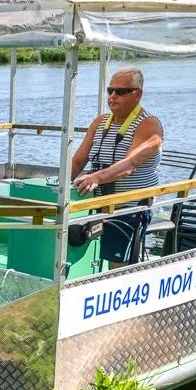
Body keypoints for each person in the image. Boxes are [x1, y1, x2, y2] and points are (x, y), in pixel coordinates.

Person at [70, 68, 164, 268]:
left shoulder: (149, 125)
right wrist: (58, 185)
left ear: (137, 94)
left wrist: (96, 177)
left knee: (116, 265)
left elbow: (130, 165)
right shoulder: (100, 121)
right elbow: (78, 161)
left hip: (128, 207)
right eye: (110, 90)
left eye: (120, 92)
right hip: (97, 204)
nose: (112, 96)